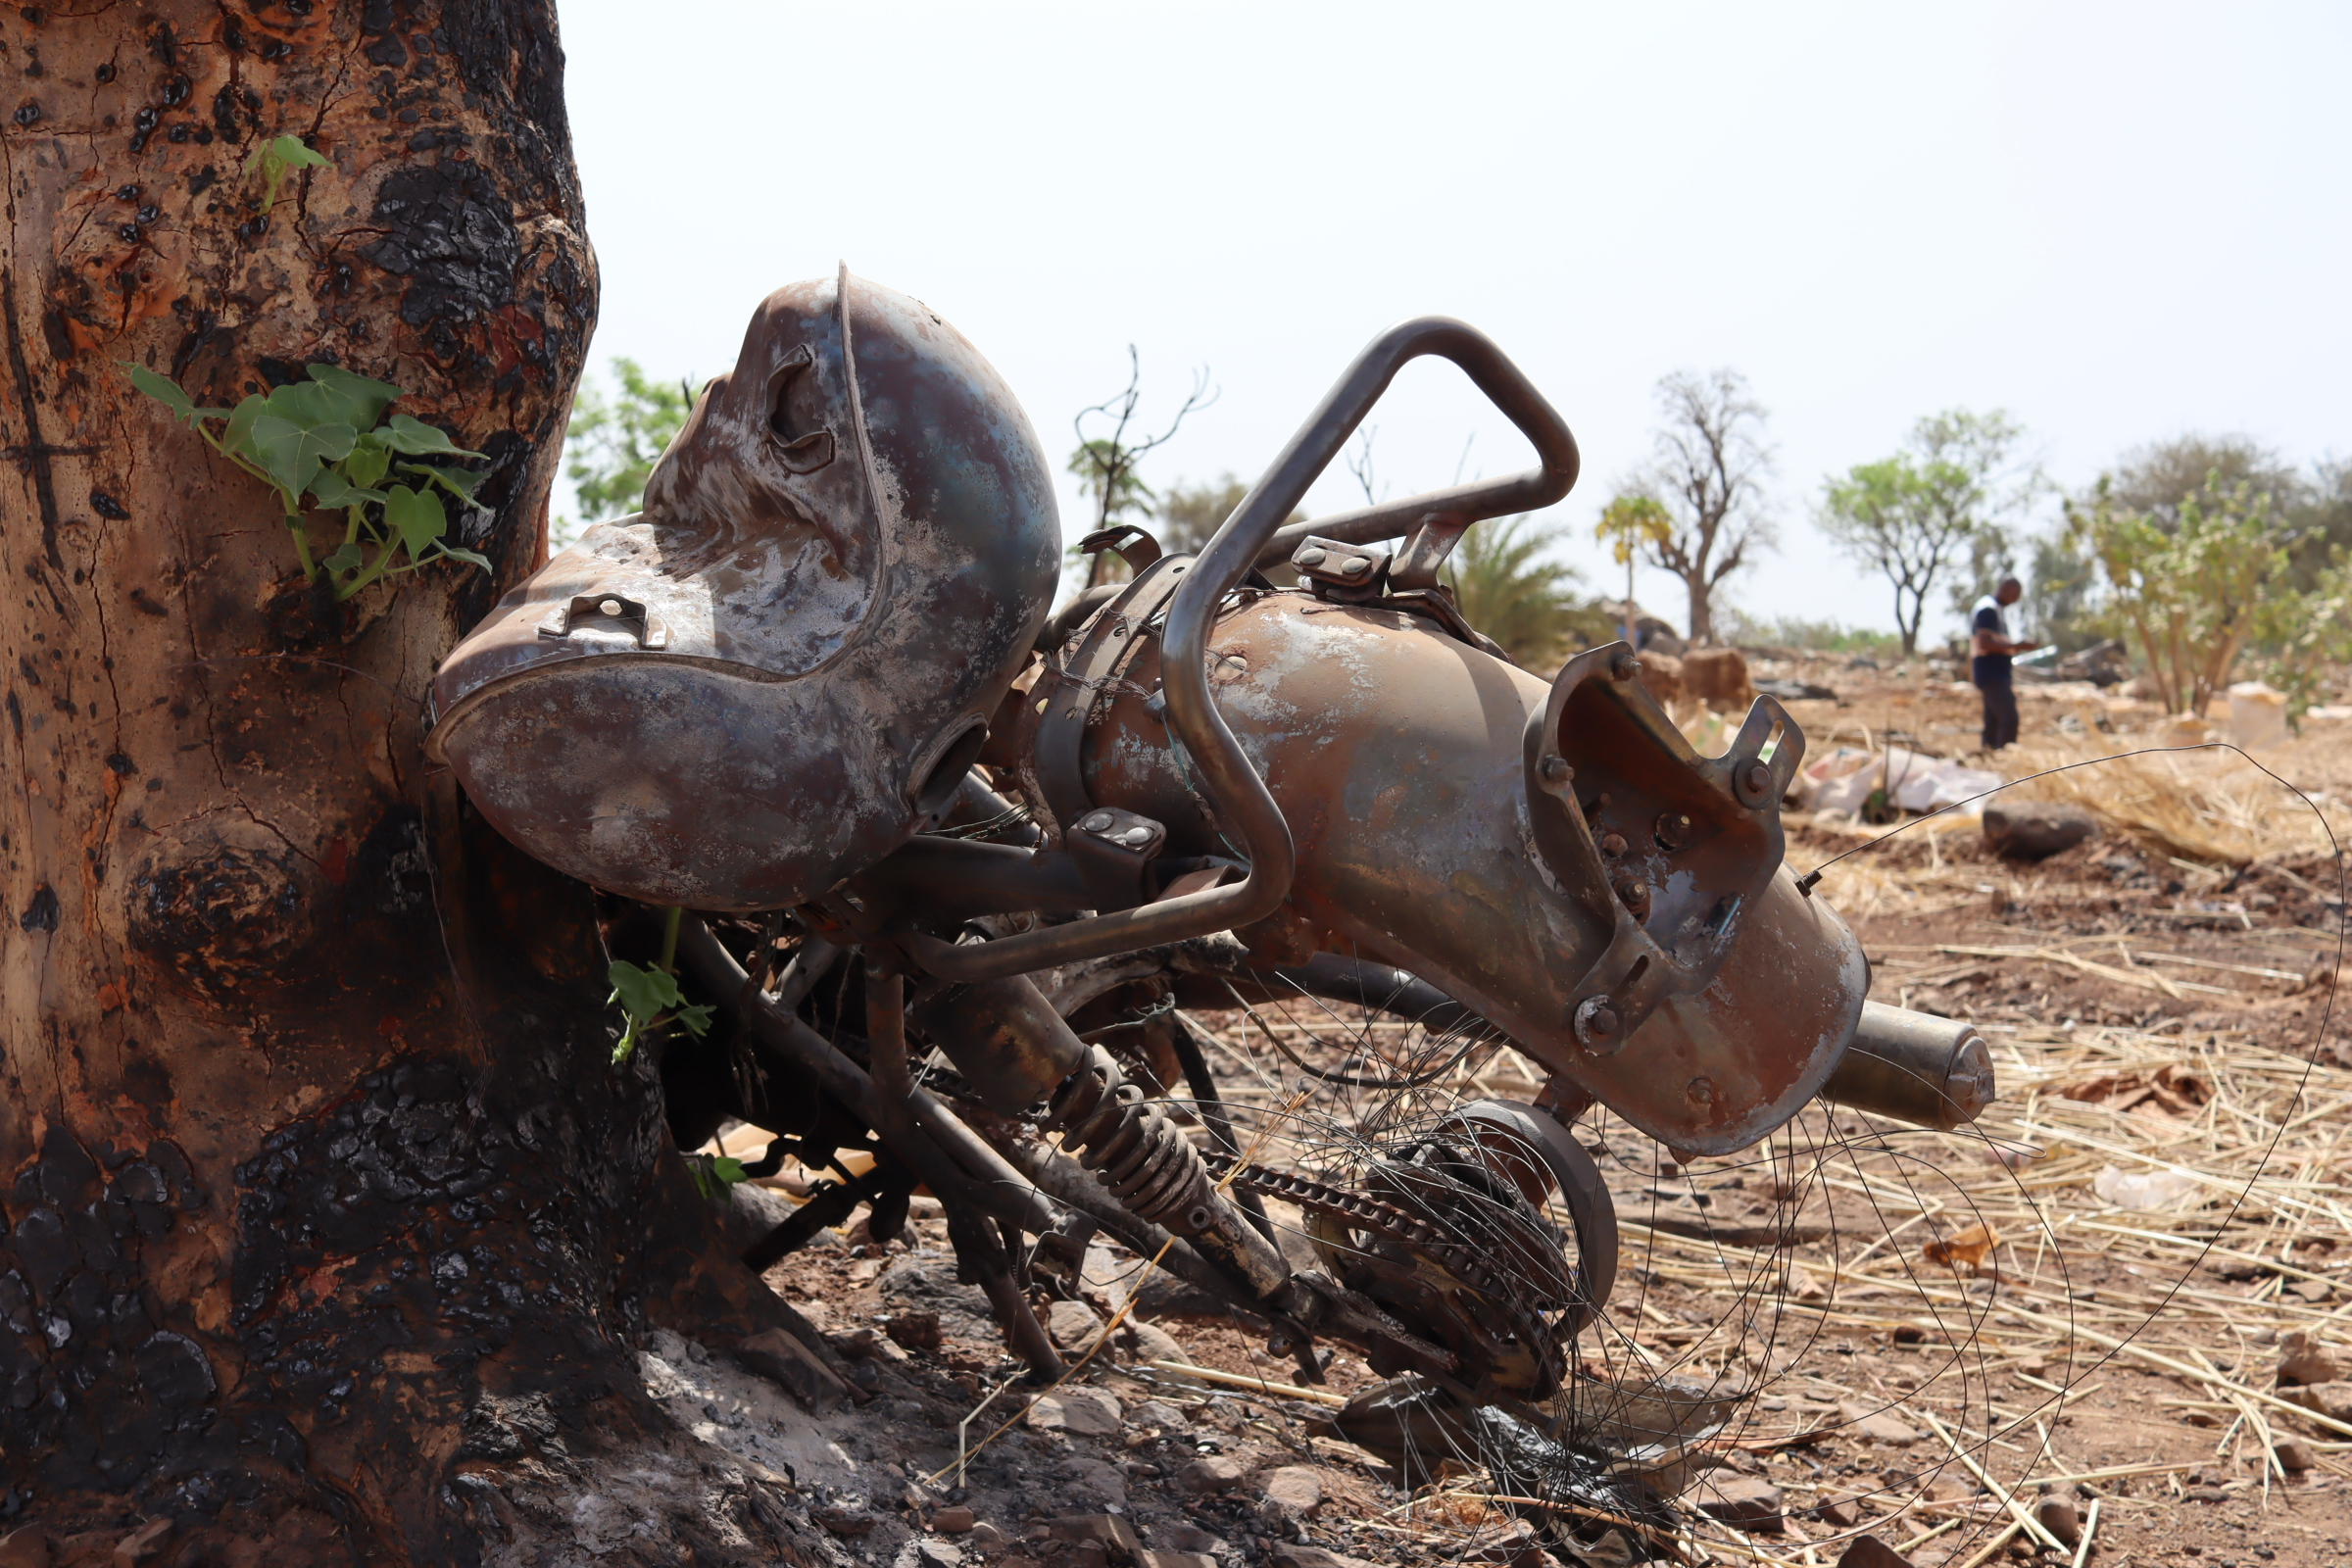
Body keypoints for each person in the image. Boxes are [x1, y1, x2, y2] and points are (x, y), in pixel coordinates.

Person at [1970, 576, 2040, 752]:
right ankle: (2005, 757)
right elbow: (1984, 643)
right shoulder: (1988, 610)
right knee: (2009, 718)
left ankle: (1989, 754)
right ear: (2005, 589)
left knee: (1993, 720)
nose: (2016, 599)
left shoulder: (1996, 610)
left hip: (1994, 672)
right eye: (2014, 594)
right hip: (1991, 673)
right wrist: (2017, 646)